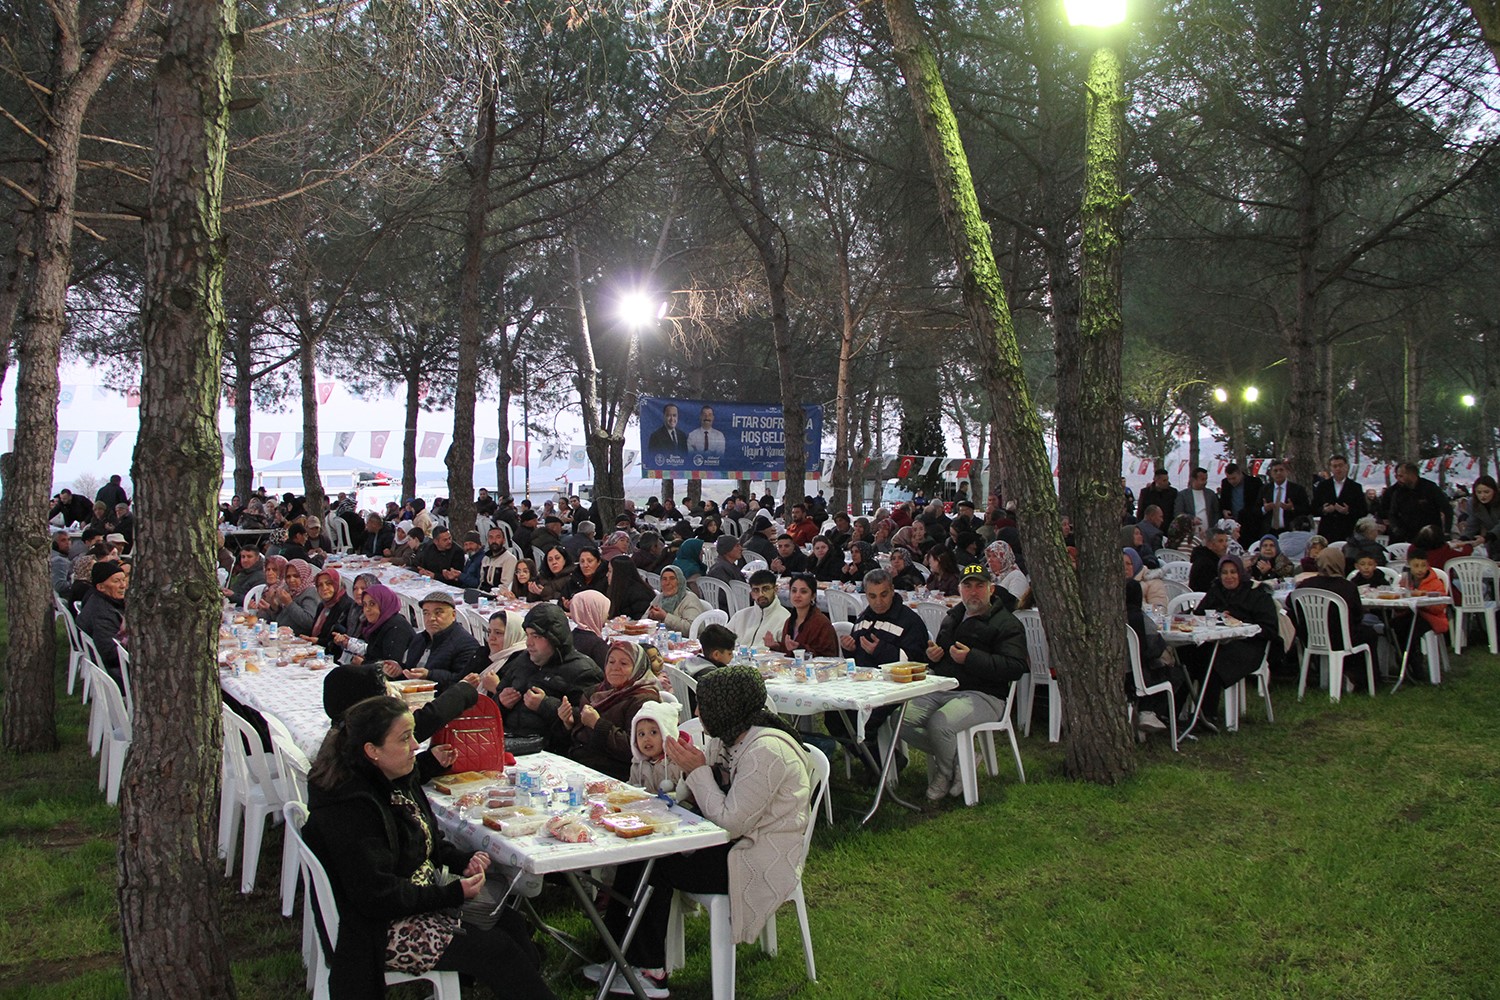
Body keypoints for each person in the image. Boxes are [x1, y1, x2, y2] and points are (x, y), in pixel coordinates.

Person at [302, 697, 554, 1000]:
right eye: (404, 738)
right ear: (372, 751)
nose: (415, 747)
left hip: (407, 899)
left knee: (510, 923)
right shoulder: (352, 809)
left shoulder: (391, 780)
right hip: (377, 928)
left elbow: (422, 840)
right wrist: (453, 893)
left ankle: (502, 983)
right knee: (497, 950)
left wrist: (463, 861)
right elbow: (377, 896)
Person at [590, 666, 811, 995]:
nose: (696, 713)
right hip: (728, 842)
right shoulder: (728, 737)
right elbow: (702, 792)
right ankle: (622, 954)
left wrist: (698, 772)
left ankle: (650, 971)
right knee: (639, 850)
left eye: (703, 706)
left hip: (753, 855)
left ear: (727, 708)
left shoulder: (766, 752)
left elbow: (730, 820)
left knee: (656, 862)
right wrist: (682, 775)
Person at [902, 564, 1027, 803]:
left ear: (991, 590)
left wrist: (971, 658)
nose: (974, 592)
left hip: (986, 695)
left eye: (980, 586)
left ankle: (944, 774)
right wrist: (935, 657)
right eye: (968, 586)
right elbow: (943, 659)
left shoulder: (1007, 623)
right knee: (901, 719)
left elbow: (1015, 668)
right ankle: (962, 760)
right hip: (945, 687)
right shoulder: (953, 617)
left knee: (940, 724)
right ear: (960, 589)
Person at [494, 603, 603, 750]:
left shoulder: (583, 671)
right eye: (527, 635)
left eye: (536, 636)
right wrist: (501, 702)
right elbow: (495, 700)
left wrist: (545, 705)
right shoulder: (523, 660)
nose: (528, 643)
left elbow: (587, 722)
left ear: (554, 637)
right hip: (507, 740)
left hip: (548, 750)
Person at [1186, 555, 1278, 726]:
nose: (1229, 577)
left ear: (1241, 573)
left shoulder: (1256, 593)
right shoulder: (1216, 590)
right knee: (1187, 655)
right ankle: (1173, 712)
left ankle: (1207, 715)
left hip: (1249, 646)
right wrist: (1218, 619)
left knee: (1213, 661)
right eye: (1225, 573)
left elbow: (1269, 628)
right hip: (1217, 642)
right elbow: (1200, 615)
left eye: (1233, 572)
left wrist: (1239, 624)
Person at [558, 642, 662, 780]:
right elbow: (580, 738)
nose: (615, 668)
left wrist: (597, 724)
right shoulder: (596, 693)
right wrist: (570, 722)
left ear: (638, 668)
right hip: (581, 765)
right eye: (611, 662)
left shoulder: (643, 699)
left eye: (624, 664)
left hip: (615, 772)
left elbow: (636, 749)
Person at [1288, 548, 1379, 692]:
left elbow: (1290, 603)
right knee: (1369, 634)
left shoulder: (1306, 585)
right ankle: (1363, 680)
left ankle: (1343, 673)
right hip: (1341, 639)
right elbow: (1357, 616)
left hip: (1311, 638)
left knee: (1357, 633)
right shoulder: (1348, 587)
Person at [384, 592, 480, 691]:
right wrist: (399, 672)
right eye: (426, 613)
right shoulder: (419, 639)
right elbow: (410, 671)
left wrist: (429, 675)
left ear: (453, 615)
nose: (431, 618)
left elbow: (462, 682)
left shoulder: (466, 644)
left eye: (438, 612)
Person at [1125, 578, 1186, 734]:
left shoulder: (1108, 617)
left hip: (1116, 673)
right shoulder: (1140, 618)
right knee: (1176, 672)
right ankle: (1151, 712)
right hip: (1138, 677)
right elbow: (1155, 649)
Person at [1391, 548, 1450, 659]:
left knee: (1411, 629)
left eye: (1423, 565)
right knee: (1394, 626)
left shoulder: (1436, 583)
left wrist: (1423, 598)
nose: (1420, 569)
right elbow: (1398, 602)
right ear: (1409, 566)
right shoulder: (1404, 581)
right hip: (1408, 615)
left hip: (1430, 619)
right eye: (1416, 566)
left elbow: (1440, 606)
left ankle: (1415, 660)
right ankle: (1403, 659)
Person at [78, 562, 129, 684]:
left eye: (124, 580)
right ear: (101, 587)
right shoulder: (102, 613)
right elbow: (110, 653)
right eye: (116, 581)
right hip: (119, 674)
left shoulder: (104, 601)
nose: (123, 585)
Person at [765, 572, 838, 657]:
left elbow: (828, 657)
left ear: (813, 596)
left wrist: (800, 648)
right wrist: (776, 646)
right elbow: (788, 651)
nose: (797, 595)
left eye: (803, 592)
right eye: (794, 591)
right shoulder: (790, 621)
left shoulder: (821, 623)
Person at [629, 700, 689, 799]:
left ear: (667, 733)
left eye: (653, 732)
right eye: (641, 734)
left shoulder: (678, 763)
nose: (646, 739)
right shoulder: (637, 765)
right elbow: (632, 787)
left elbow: (687, 794)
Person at [1380, 462, 1453, 542]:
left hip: (1430, 533)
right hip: (1408, 535)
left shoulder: (1430, 488)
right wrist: (1396, 529)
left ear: (1412, 475)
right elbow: (1393, 513)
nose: (1398, 479)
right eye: (1397, 476)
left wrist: (1447, 531)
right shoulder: (1398, 492)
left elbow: (1447, 509)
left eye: (1401, 476)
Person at [1310, 454, 1367, 542]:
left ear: (1346, 467)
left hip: (1347, 531)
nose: (1338, 469)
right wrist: (1324, 510)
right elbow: (1313, 508)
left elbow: (1363, 510)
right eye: (1335, 466)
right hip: (1327, 531)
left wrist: (1348, 511)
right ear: (1331, 468)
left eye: (1340, 465)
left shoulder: (1355, 487)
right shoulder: (1323, 486)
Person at [728, 569, 790, 650]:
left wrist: (776, 647)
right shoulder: (741, 616)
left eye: (765, 589)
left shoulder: (785, 618)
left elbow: (788, 652)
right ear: (751, 594)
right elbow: (723, 640)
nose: (761, 594)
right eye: (756, 590)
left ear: (775, 590)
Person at [303, 568, 355, 655]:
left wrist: (318, 641)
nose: (324, 588)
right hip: (318, 652)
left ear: (337, 584)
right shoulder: (322, 606)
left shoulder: (347, 606)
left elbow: (342, 640)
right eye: (320, 585)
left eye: (329, 584)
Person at [646, 564, 708, 634]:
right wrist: (650, 617)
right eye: (664, 579)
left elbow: (695, 627)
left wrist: (665, 617)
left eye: (672, 578)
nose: (667, 583)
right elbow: (644, 619)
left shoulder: (689, 599)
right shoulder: (660, 598)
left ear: (680, 581)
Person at [1261, 461, 1311, 534]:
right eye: (1275, 471)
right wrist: (1264, 509)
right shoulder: (1265, 489)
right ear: (1271, 473)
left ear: (1287, 472)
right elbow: (1255, 509)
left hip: (1290, 531)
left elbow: (1306, 509)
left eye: (1281, 470)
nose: (1278, 473)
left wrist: (1292, 508)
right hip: (1269, 531)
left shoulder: (1297, 489)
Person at [1217, 464, 1266, 539]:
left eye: (1234, 478)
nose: (1231, 481)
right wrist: (1224, 511)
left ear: (1240, 474)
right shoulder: (1225, 483)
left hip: (1251, 524)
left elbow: (1258, 504)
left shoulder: (1254, 482)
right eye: (1229, 478)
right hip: (1233, 524)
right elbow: (1223, 501)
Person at [567, 590, 612, 670]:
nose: (607, 615)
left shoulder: (570, 636)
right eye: (604, 610)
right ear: (594, 611)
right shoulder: (597, 645)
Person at [274, 559, 322, 634]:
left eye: (296, 576)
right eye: (288, 577)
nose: (291, 580)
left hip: (300, 639)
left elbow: (309, 622)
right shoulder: (290, 591)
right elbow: (281, 619)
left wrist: (289, 603)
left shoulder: (310, 592)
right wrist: (272, 606)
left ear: (304, 576)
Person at [1173, 467, 1222, 540]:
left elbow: (1216, 511)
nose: (1205, 482)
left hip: (1208, 534)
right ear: (1193, 479)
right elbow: (1178, 513)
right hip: (1189, 534)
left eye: (1206, 479)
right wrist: (1191, 519)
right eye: (1202, 479)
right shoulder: (1183, 495)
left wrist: (1213, 527)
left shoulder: (1210, 494)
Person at [606, 554, 657, 620]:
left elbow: (641, 620)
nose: (607, 575)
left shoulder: (640, 593)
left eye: (610, 571)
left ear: (619, 574)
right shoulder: (617, 590)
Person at [1459, 474, 1500, 546]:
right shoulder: (1473, 503)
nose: (1482, 496)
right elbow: (1472, 523)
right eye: (1479, 492)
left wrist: (1487, 537)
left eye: (1486, 492)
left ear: (1494, 491)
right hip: (1492, 542)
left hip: (1491, 536)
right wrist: (1463, 539)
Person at [1189, 529, 1230, 593]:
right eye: (1220, 541)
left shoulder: (1203, 556)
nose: (1225, 545)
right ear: (1210, 544)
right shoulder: (1206, 564)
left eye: (1226, 541)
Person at [50, 530, 75, 596]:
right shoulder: (59, 560)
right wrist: (76, 581)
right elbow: (59, 585)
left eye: (69, 540)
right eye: (63, 540)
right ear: (55, 544)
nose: (67, 543)